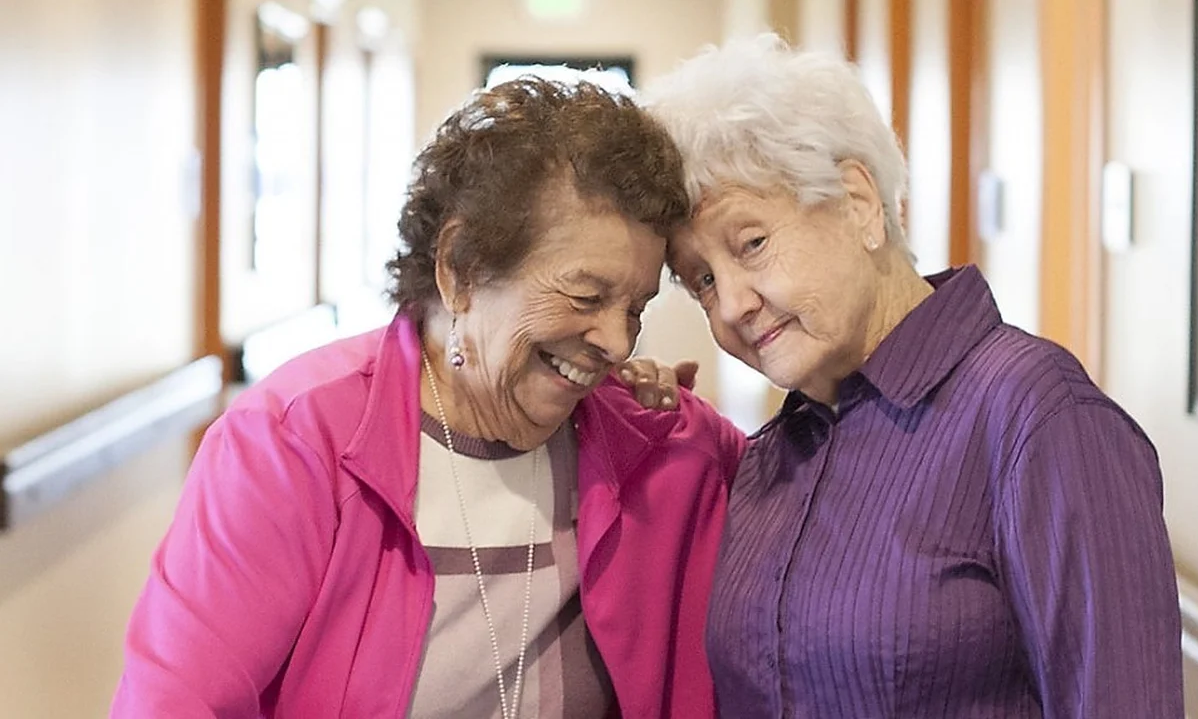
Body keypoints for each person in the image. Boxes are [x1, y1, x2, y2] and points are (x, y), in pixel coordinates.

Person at [111, 77, 745, 718]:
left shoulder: (656, 442)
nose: (616, 341)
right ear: (460, 268)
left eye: (636, 307)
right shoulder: (292, 442)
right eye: (585, 297)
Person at [644, 34, 1184, 717]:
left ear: (860, 202)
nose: (732, 305)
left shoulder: (1039, 417)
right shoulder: (774, 454)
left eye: (752, 244)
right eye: (702, 282)